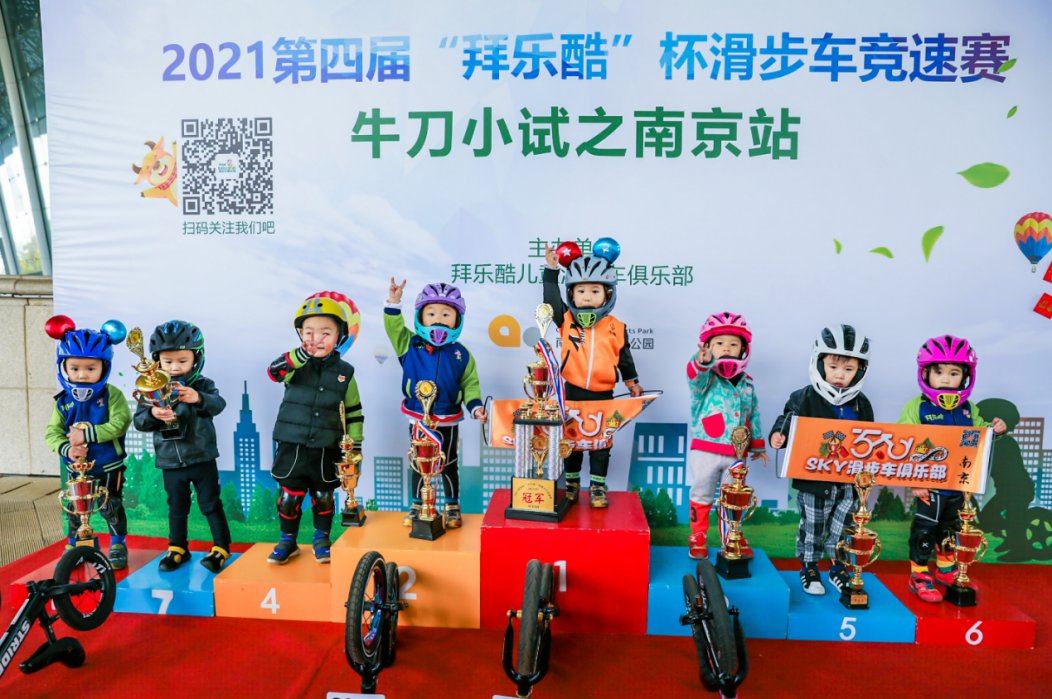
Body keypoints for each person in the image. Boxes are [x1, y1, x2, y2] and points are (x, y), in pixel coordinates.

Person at [898, 335, 1006, 602]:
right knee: (925, 529)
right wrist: (914, 479)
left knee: (950, 529)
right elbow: (904, 443)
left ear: (966, 376)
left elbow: (980, 436)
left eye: (954, 373)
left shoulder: (969, 408)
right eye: (939, 372)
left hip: (958, 482)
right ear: (925, 373)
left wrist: (995, 430)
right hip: (929, 485)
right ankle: (918, 575)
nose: (946, 379)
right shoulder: (917, 407)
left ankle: (945, 569)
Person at [769, 325, 873, 596]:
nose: (840, 374)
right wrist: (779, 435)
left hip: (848, 483)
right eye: (833, 367)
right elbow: (787, 419)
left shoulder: (862, 404)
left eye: (848, 369)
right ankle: (810, 567)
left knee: (844, 527)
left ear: (860, 370)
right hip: (814, 482)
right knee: (813, 528)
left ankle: (838, 568)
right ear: (819, 363)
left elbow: (871, 439)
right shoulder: (803, 398)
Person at [266, 294, 364, 564]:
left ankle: (322, 538)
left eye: (325, 333)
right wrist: (298, 356)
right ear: (300, 334)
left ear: (340, 336)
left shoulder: (346, 373)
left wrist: (354, 448)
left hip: (326, 446)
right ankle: (287, 541)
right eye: (309, 332)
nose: (316, 339)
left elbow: (354, 412)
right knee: (289, 497)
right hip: (292, 444)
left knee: (323, 496)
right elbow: (273, 372)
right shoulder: (293, 364)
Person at [544, 243, 643, 508]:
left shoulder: (617, 327)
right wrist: (551, 271)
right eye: (581, 291)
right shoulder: (566, 320)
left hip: (603, 394)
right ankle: (572, 484)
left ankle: (598, 487)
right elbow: (551, 302)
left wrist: (633, 383)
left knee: (601, 441)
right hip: (572, 392)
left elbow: (625, 359)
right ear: (571, 294)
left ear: (608, 293)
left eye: (594, 291)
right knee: (572, 440)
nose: (587, 297)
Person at [385, 279, 487, 529]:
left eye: (446, 314)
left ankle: (452, 506)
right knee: (419, 462)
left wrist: (475, 407)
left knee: (448, 462)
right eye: (431, 313)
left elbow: (470, 384)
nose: (438, 320)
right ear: (420, 316)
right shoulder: (408, 344)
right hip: (418, 417)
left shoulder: (461, 354)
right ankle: (417, 505)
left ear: (457, 320)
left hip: (448, 418)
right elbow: (394, 328)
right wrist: (394, 303)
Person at [133, 321, 231, 574]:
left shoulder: (203, 385)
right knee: (177, 507)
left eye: (182, 361)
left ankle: (221, 547)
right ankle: (178, 548)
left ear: (196, 359)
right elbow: (140, 422)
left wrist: (198, 398)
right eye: (168, 362)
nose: (175, 367)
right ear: (157, 362)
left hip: (202, 458)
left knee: (210, 504)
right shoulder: (149, 389)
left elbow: (219, 404)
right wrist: (153, 413)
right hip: (170, 461)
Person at [44, 322, 132, 569]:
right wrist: (68, 449)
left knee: (112, 506)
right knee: (75, 508)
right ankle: (74, 546)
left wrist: (87, 435)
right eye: (75, 368)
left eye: (90, 368)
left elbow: (120, 423)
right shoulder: (63, 401)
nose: (82, 375)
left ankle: (118, 545)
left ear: (104, 367)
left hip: (108, 466)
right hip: (76, 469)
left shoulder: (112, 395)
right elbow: (52, 433)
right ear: (64, 367)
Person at [686, 313, 768, 560]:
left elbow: (753, 414)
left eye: (733, 343)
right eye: (719, 343)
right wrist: (700, 362)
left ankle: (732, 537)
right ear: (708, 346)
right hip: (705, 449)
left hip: (736, 453)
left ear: (744, 349)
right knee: (701, 493)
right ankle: (698, 536)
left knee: (733, 497)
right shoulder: (705, 378)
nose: (726, 348)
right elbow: (694, 377)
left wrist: (757, 445)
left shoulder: (748, 383)